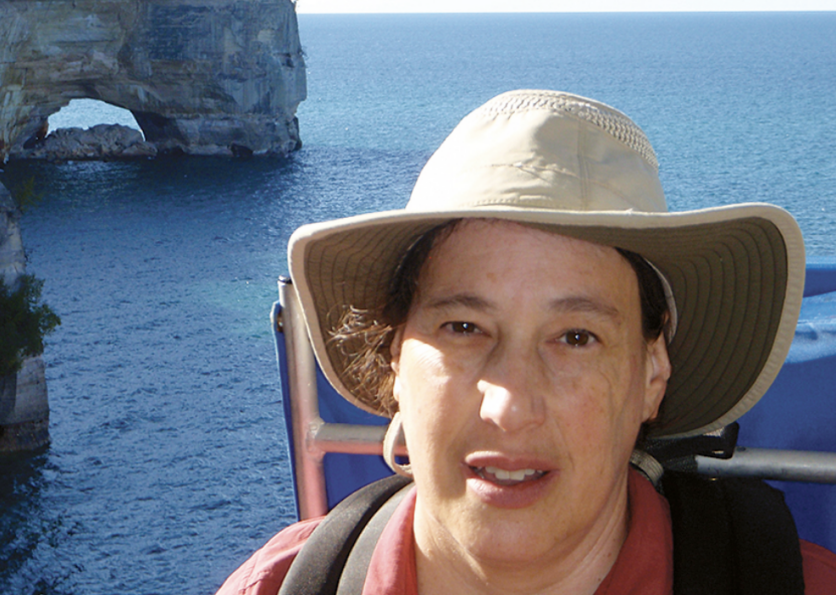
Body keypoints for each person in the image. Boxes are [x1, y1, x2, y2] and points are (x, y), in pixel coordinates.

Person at [216, 90, 836, 594]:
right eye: (464, 328)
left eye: (575, 337)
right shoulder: (280, 584)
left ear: (652, 374)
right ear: (395, 359)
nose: (508, 406)